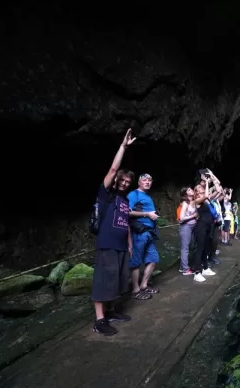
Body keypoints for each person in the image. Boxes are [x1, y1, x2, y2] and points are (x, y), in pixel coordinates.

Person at [91, 128, 136, 336]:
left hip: (120, 246)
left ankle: (111, 311)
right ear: (117, 179)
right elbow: (112, 169)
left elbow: (126, 222)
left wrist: (129, 244)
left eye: (128, 182)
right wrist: (123, 147)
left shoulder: (125, 200)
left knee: (117, 280)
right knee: (103, 281)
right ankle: (99, 321)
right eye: (122, 180)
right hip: (107, 243)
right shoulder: (106, 193)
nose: (125, 183)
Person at [128, 174, 161, 300]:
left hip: (150, 233)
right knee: (136, 261)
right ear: (139, 182)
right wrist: (147, 214)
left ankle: (144, 285)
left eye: (149, 180)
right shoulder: (133, 194)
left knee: (153, 259)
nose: (147, 182)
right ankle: (135, 290)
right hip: (139, 232)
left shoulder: (147, 196)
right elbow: (127, 211)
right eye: (144, 180)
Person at [192, 178, 220, 282]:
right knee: (199, 249)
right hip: (200, 228)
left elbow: (217, 191)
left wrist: (213, 179)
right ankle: (197, 272)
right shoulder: (196, 201)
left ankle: (205, 268)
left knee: (205, 249)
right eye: (199, 187)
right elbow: (206, 196)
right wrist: (207, 183)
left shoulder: (206, 201)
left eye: (202, 186)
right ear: (196, 192)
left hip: (208, 227)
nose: (201, 187)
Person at [178, 187, 198, 275]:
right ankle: (185, 269)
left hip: (193, 226)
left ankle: (184, 266)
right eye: (189, 190)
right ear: (186, 193)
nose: (192, 190)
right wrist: (193, 216)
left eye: (191, 189)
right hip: (186, 226)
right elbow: (181, 218)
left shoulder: (193, 202)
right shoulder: (185, 203)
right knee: (185, 248)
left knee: (193, 246)